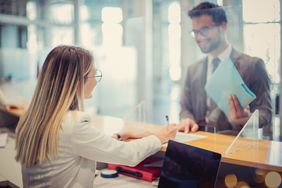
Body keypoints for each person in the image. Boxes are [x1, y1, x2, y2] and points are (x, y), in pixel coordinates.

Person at [15, 45, 177, 188]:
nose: (96, 82)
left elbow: (74, 148)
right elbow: (128, 154)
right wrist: (160, 136)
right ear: (77, 81)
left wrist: (119, 135)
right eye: (94, 75)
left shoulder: (32, 118)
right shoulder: (74, 123)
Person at [179, 2, 272, 134]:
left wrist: (247, 119)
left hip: (236, 146)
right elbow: (185, 108)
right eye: (195, 32)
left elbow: (265, 112)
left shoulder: (252, 65)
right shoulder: (192, 70)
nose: (199, 38)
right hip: (198, 143)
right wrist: (187, 119)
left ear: (223, 27)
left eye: (204, 30)